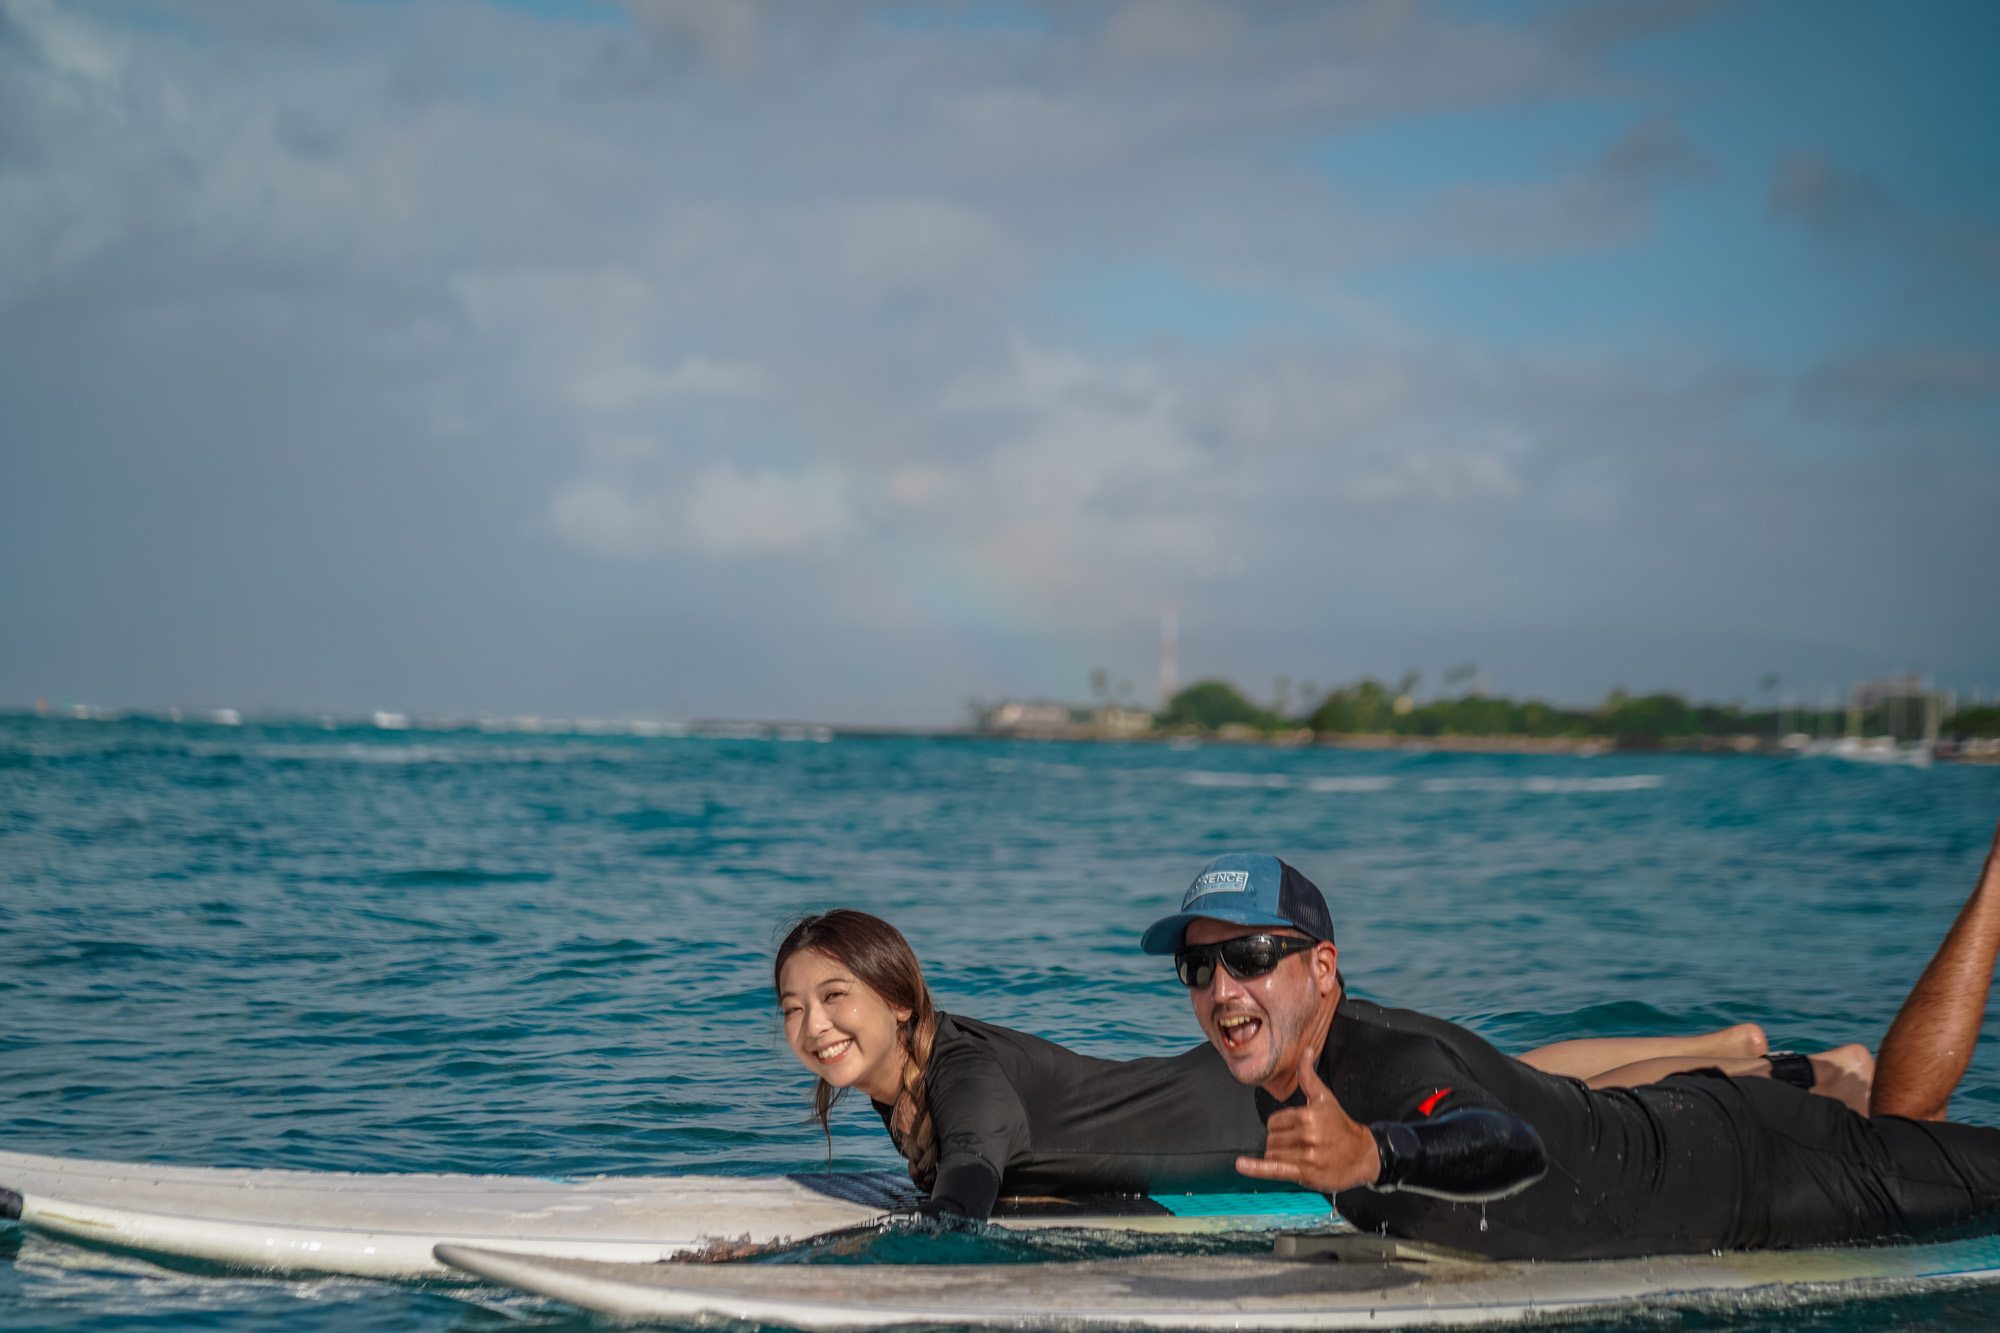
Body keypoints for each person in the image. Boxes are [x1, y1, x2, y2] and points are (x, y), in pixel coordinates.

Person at [1142, 819, 2000, 1259]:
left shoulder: (1380, 1069)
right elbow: (1521, 1083)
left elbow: (1502, 1142)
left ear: (1321, 966)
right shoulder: (1292, 1064)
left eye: (1249, 955)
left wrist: (1373, 1157)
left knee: (1911, 1120)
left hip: (1753, 1169)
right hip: (1672, 1116)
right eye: (1198, 967)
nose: (1221, 989)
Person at [773, 910, 1870, 1220]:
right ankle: (1732, 1050)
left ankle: (1772, 1076)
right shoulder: (900, 1082)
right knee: (1526, 1067)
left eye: (836, 997)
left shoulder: (958, 1075)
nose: (815, 1024)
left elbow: (971, 1174)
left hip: (1244, 1108)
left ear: (901, 998)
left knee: (1542, 1092)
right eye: (793, 1008)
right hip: (1207, 1099)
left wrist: (913, 1246)